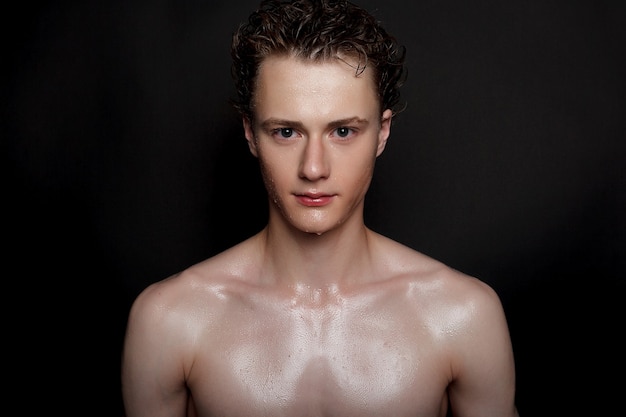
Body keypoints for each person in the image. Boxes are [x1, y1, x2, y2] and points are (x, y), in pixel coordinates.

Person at [121, 0, 520, 416]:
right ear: (251, 134)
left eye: (343, 131)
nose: (314, 168)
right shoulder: (170, 322)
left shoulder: (463, 317)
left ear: (382, 133)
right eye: (287, 131)